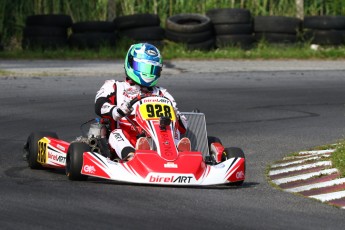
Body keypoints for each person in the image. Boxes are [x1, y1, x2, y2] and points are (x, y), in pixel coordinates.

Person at [95, 43, 190, 160]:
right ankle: (131, 156)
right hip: (128, 136)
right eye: (144, 68)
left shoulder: (162, 93)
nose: (148, 73)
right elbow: (99, 104)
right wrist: (115, 111)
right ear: (131, 63)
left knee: (173, 130)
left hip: (160, 138)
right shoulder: (114, 86)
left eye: (152, 69)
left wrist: (176, 116)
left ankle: (178, 152)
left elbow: (183, 126)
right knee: (116, 134)